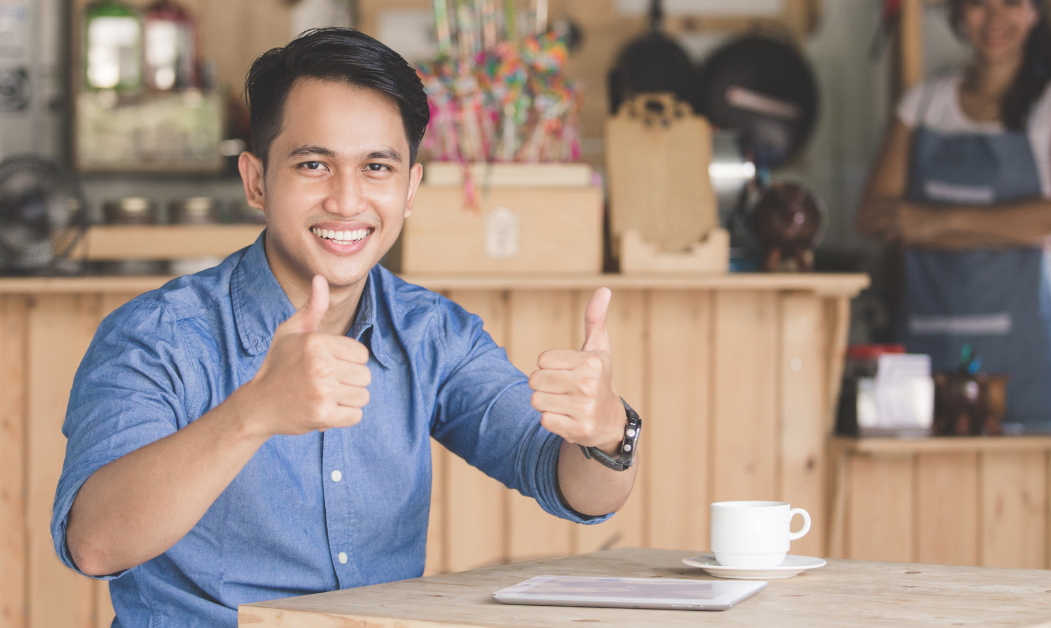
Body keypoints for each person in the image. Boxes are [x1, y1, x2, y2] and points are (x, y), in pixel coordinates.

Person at [52, 28, 639, 626]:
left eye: (377, 167)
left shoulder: (430, 332)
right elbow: (93, 543)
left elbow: (571, 486)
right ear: (256, 180)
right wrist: (253, 412)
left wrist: (608, 433)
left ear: (410, 189)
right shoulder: (157, 336)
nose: (347, 200)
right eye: (314, 164)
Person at [857, 0, 1051, 431]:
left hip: (1021, 361)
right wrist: (1017, 226)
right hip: (922, 352)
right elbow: (874, 216)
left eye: (1010, 3)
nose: (994, 19)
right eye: (978, 5)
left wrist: (934, 222)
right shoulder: (924, 102)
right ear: (958, 14)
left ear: (1033, 13)